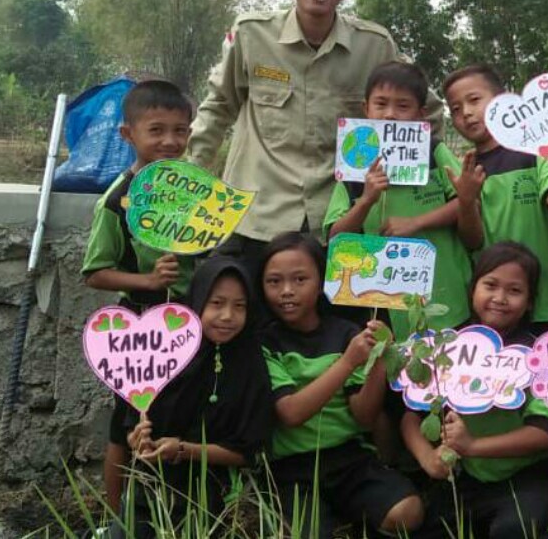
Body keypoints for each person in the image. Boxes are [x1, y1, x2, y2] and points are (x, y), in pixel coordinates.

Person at [188, 0, 439, 265]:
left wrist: (422, 186)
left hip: (337, 220)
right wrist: (190, 179)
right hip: (256, 218)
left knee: (337, 318)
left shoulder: (375, 46)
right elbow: (218, 107)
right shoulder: (251, 35)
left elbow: (428, 112)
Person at [259, 232, 425, 539]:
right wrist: (347, 362)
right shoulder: (265, 342)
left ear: (322, 281)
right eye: (274, 282)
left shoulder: (346, 333)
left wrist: (378, 359)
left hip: (348, 456)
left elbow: (363, 415)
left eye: (299, 280)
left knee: (408, 511)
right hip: (292, 467)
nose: (286, 291)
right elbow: (291, 413)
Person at [81, 78, 197, 511]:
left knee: (179, 421)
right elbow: (94, 273)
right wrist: (148, 281)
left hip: (190, 321)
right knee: (126, 427)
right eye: (157, 130)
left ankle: (174, 512)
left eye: (181, 130)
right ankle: (113, 519)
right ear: (128, 135)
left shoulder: (190, 192)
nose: (170, 140)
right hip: (140, 326)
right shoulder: (116, 202)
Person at [403, 242, 548, 539]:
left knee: (512, 530)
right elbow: (411, 415)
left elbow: (542, 434)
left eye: (514, 291)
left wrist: (472, 446)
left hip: (524, 476)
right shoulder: (446, 345)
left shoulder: (539, 355)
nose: (500, 298)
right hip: (465, 478)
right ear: (473, 288)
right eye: (490, 285)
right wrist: (426, 457)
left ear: (529, 301)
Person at [116, 255, 273, 538]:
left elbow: (248, 452)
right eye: (216, 303)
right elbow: (131, 425)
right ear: (197, 300)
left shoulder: (251, 364)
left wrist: (183, 451)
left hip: (212, 501)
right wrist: (137, 438)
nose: (228, 316)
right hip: (150, 490)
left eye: (239, 306)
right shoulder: (164, 352)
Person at [325, 60, 473, 337]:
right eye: (381, 104)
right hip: (384, 306)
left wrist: (416, 222)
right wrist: (366, 200)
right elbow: (335, 237)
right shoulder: (353, 164)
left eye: (402, 106)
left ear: (421, 114)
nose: (390, 115)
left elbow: (465, 200)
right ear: (365, 109)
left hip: (445, 298)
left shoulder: (435, 151)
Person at [443, 63, 548, 331]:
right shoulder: (465, 169)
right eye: (456, 109)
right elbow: (472, 240)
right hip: (491, 307)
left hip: (539, 302)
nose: (466, 114)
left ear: (502, 100)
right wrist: (466, 199)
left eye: (474, 100)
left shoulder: (533, 152)